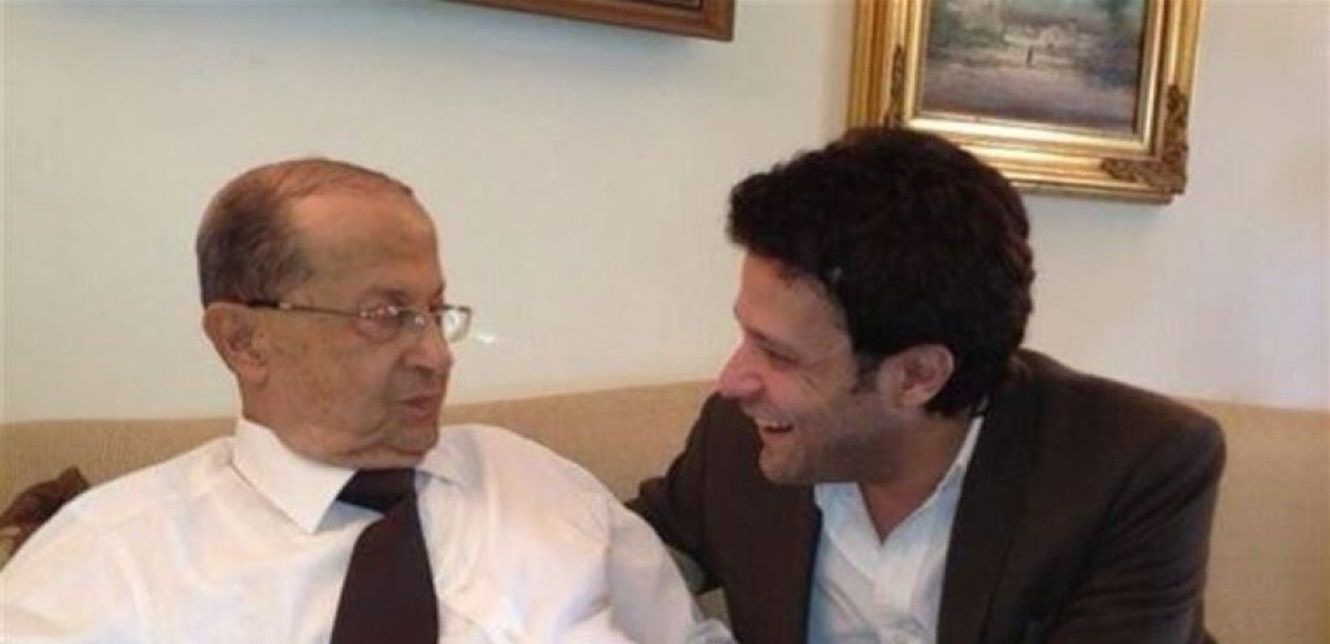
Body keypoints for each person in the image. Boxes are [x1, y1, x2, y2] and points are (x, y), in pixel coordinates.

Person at [0, 158, 731, 643]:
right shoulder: (107, 564)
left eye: (435, 311)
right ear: (244, 341)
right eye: (385, 315)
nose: (436, 354)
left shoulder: (543, 486)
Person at [630, 128, 1225, 644]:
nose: (732, 381)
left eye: (778, 354)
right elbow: (633, 550)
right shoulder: (741, 435)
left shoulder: (1135, 467)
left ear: (917, 376)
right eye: (747, 335)